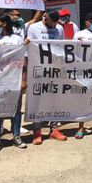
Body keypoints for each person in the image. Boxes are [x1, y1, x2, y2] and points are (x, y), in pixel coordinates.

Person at [25, 10, 68, 144]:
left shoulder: (59, 28)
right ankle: (37, 132)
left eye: (56, 24)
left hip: (54, 70)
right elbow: (28, 51)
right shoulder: (33, 28)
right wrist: (26, 75)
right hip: (38, 70)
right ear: (45, 17)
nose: (54, 27)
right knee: (37, 100)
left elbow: (62, 48)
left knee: (54, 99)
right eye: (52, 24)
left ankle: (54, 129)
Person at [0, 15, 26, 151]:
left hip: (14, 79)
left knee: (15, 110)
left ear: (4, 24)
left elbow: (24, 60)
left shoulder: (17, 39)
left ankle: (16, 136)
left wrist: (24, 79)